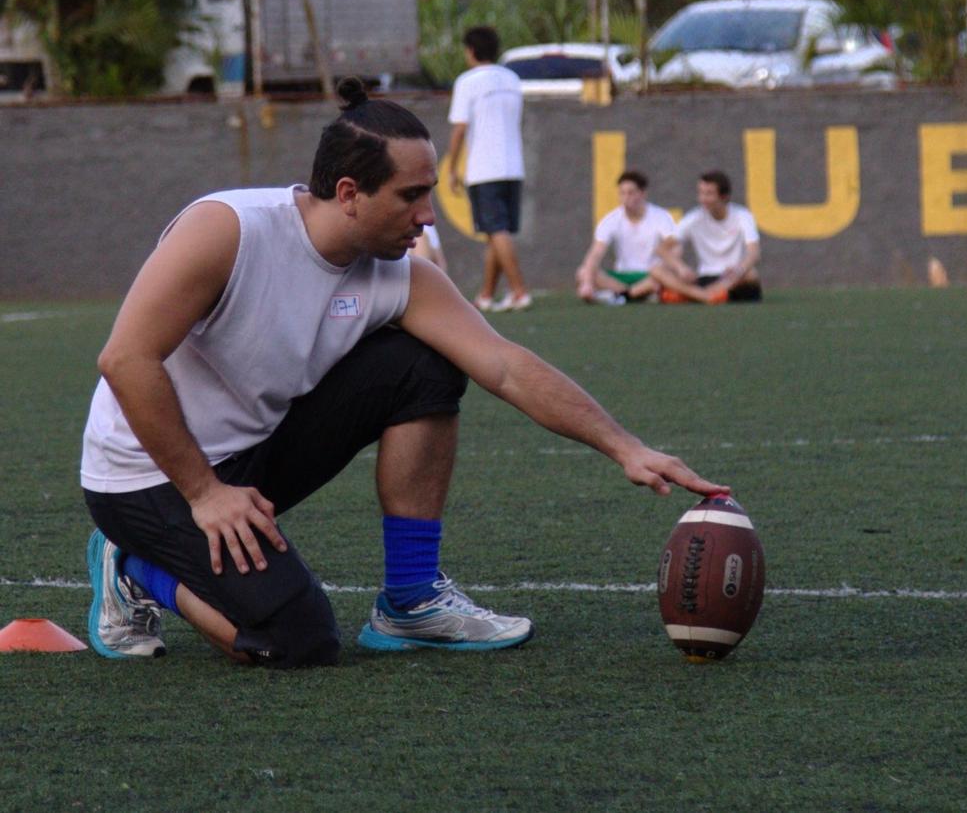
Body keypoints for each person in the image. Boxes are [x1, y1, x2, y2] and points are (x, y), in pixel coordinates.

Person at [81, 78, 725, 666]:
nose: (428, 216)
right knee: (293, 642)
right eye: (411, 196)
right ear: (349, 195)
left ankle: (411, 600)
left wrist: (626, 447)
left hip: (252, 455)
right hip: (148, 475)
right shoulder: (228, 230)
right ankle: (134, 567)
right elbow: (125, 359)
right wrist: (203, 493)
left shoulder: (401, 274)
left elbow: (503, 364)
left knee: (426, 364)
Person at [448, 26, 529, 312]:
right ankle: (485, 295)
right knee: (497, 232)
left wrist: (451, 168)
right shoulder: (512, 79)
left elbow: (460, 129)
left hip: (484, 169)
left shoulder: (467, 82)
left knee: (495, 230)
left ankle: (519, 292)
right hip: (513, 167)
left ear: (470, 50)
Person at [656, 171, 762, 305]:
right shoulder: (694, 218)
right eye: (701, 193)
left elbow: (754, 253)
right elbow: (662, 249)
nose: (703, 199)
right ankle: (706, 296)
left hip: (732, 279)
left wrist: (737, 271)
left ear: (724, 196)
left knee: (751, 274)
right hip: (705, 278)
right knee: (657, 270)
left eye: (709, 193)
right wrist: (680, 268)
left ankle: (697, 296)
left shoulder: (742, 215)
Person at [575, 170, 676, 305]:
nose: (626, 197)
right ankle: (635, 294)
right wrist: (586, 284)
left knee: (665, 276)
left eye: (631, 193)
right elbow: (595, 254)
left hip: (651, 275)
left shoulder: (661, 217)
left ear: (643, 194)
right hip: (622, 276)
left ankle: (621, 296)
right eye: (622, 193)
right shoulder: (611, 220)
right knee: (583, 273)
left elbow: (674, 247)